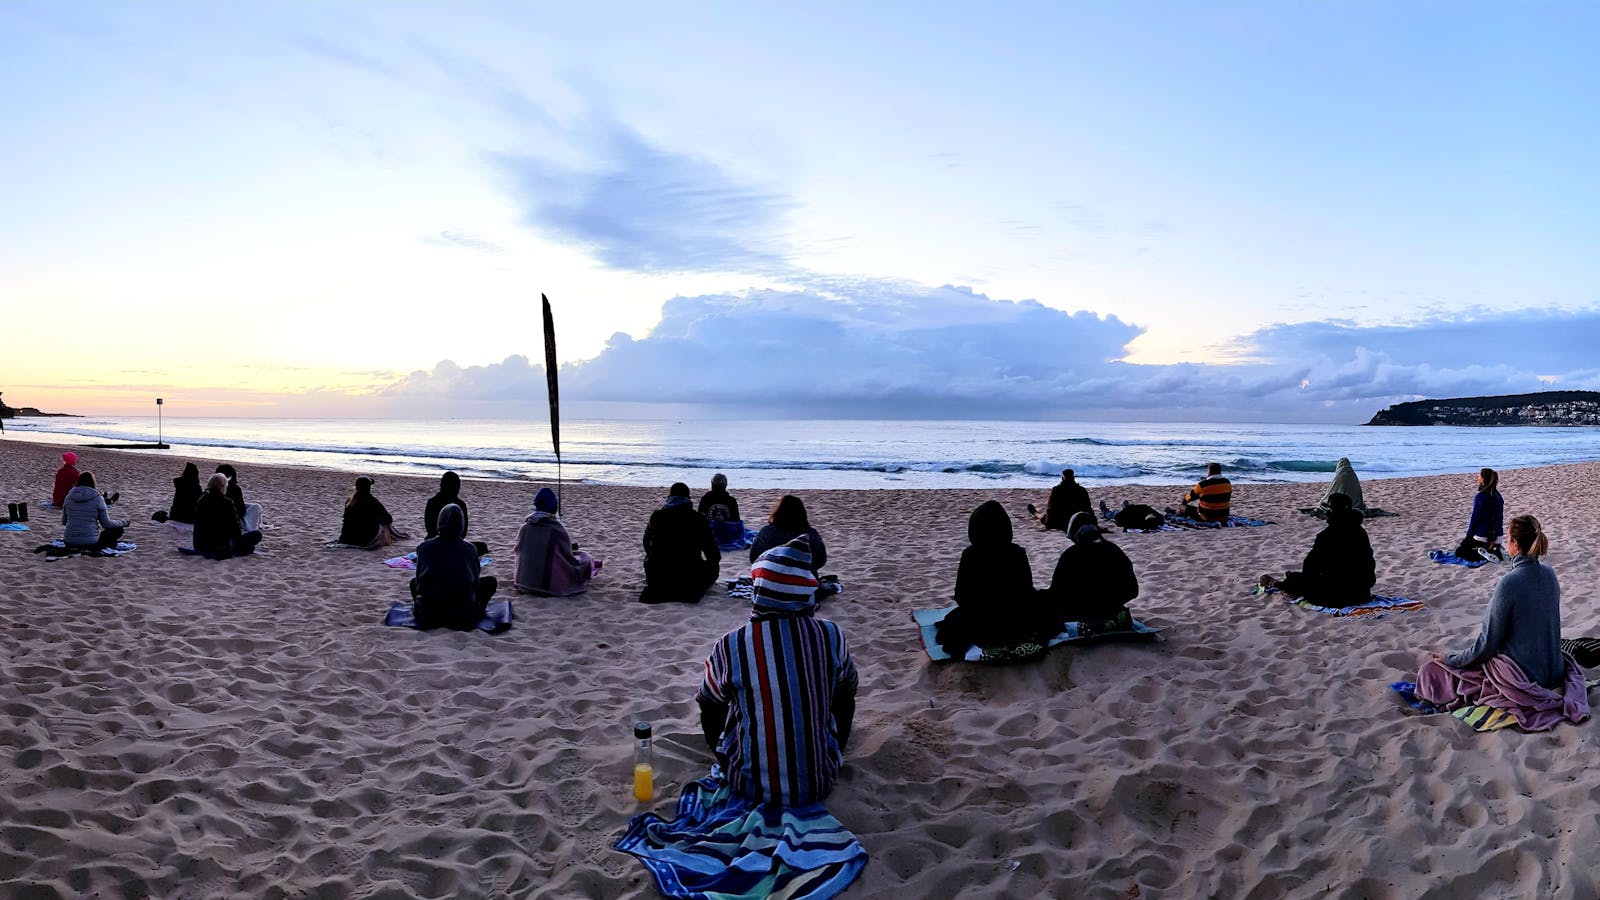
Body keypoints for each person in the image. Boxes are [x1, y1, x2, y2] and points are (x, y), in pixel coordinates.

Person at [697, 535, 858, 805]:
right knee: (836, 692)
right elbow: (848, 693)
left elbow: (708, 703)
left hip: (748, 785)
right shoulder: (831, 635)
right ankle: (826, 753)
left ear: (759, 591)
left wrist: (720, 752)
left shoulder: (733, 643)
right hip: (821, 782)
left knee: (727, 705)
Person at [1415, 514, 1589, 731]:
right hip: (1553, 670)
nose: (1506, 544)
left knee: (1430, 671)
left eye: (1507, 539)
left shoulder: (1509, 584)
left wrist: (1451, 660)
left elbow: (1486, 645)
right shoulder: (1549, 574)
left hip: (1525, 674)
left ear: (1515, 544)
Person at [935, 500, 1054, 657]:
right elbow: (1026, 590)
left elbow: (961, 595)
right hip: (1015, 621)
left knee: (954, 623)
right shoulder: (1017, 552)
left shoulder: (970, 554)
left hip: (982, 622)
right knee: (1044, 602)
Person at [1258, 492, 1375, 608]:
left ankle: (1276, 584)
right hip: (1362, 594)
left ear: (1331, 512)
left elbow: (1310, 568)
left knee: (1297, 580)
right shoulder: (1360, 532)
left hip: (1336, 597)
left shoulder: (1326, 536)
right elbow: (1369, 564)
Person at [1042, 511, 1138, 633]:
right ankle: (1112, 618)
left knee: (1043, 599)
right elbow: (1133, 590)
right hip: (1111, 607)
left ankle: (1093, 623)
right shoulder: (1113, 549)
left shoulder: (1071, 555)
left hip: (1081, 611)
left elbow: (1057, 592)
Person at [411, 503, 498, 630]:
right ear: (461, 525)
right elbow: (475, 581)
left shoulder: (424, 547)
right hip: (462, 613)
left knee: (413, 583)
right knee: (490, 582)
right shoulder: (470, 549)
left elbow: (419, 583)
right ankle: (479, 610)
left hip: (429, 612)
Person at [640, 482, 721, 604]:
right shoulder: (699, 519)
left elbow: (646, 543)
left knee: (651, 562)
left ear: (669, 498)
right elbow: (714, 555)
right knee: (714, 567)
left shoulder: (657, 517)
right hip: (689, 577)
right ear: (688, 499)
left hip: (659, 576)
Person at [513, 487, 598, 596]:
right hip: (548, 588)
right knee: (585, 557)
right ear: (554, 507)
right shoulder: (557, 529)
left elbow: (518, 551)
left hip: (523, 583)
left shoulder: (524, 527)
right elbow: (568, 557)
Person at [749, 495, 827, 573]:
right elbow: (821, 560)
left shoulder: (767, 531)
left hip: (769, 579)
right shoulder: (810, 533)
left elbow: (753, 557)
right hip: (803, 580)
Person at [192, 473, 263, 559]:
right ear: (222, 486)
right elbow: (235, 528)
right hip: (221, 546)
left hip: (200, 545)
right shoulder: (227, 502)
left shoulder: (202, 499)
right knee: (256, 535)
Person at [60, 472, 127, 551]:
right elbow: (106, 524)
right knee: (118, 529)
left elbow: (64, 522)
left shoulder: (68, 498)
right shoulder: (98, 499)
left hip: (69, 541)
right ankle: (111, 500)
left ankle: (110, 500)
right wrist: (122, 522)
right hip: (90, 542)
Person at [337, 476, 406, 549]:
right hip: (366, 539)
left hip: (347, 537)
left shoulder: (350, 501)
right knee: (385, 525)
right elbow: (388, 519)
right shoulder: (372, 501)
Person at [1455, 467, 1504, 561]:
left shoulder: (1481, 496)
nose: (1477, 477)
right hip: (1498, 537)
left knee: (1459, 552)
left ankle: (1479, 554)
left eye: (1479, 475)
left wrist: (1468, 536)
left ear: (1482, 479)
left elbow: (1475, 518)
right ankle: (1494, 550)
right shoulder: (1498, 496)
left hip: (1483, 536)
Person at [1027, 469, 1092, 531]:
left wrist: (1048, 525)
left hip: (1061, 522)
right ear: (1074, 478)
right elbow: (1088, 508)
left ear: (1062, 478)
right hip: (1078, 521)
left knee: (1042, 516)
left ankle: (1034, 512)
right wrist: (1093, 523)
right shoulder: (1082, 490)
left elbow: (1051, 508)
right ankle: (1035, 512)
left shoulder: (1056, 490)